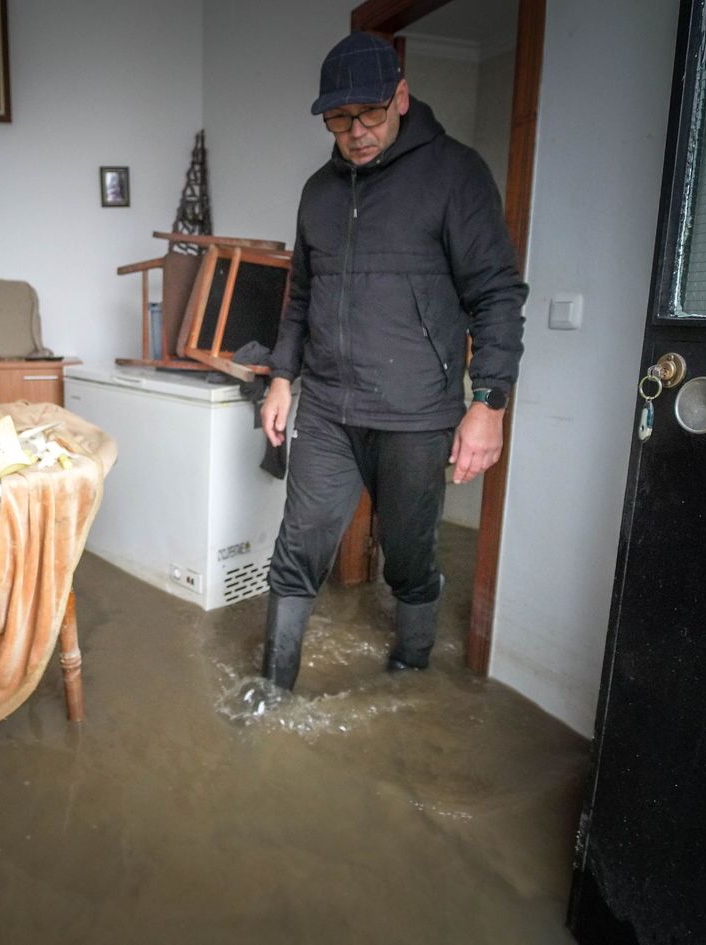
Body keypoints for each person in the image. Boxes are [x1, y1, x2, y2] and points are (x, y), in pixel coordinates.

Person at [256, 32, 527, 695]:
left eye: (370, 114)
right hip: (326, 407)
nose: (355, 133)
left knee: (409, 556)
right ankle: (271, 689)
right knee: (299, 549)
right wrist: (282, 378)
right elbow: (301, 295)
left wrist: (488, 403)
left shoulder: (454, 173)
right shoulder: (318, 191)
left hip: (416, 412)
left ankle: (410, 678)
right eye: (338, 121)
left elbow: (495, 293)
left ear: (401, 96)